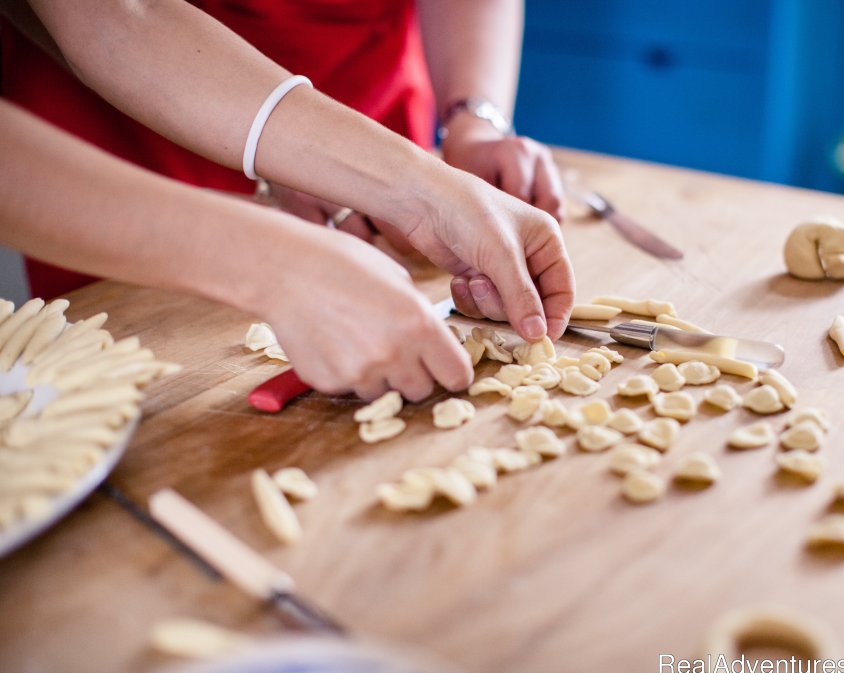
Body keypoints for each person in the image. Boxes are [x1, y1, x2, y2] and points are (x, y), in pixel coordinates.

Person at [0, 0, 575, 400]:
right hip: (107, 157)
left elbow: (124, 19)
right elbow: (115, 18)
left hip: (331, 108)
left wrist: (429, 182)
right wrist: (270, 261)